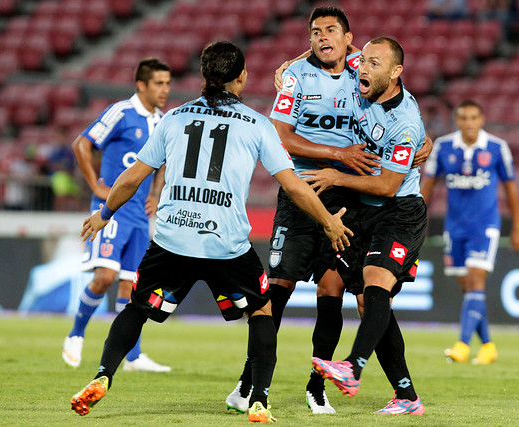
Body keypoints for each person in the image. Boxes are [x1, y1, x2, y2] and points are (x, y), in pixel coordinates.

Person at [69, 40, 353, 423]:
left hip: (172, 238)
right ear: (242, 77)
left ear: (204, 76)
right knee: (261, 310)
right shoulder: (256, 123)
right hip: (226, 243)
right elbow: (296, 186)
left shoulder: (173, 117)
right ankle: (259, 399)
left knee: (137, 306)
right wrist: (329, 221)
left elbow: (133, 176)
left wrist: (105, 212)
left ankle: (103, 374)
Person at [226, 6, 432, 415]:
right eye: (315, 32)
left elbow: (395, 90)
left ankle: (321, 385)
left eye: (331, 31)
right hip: (304, 190)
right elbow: (280, 136)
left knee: (341, 291)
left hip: (352, 199)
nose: (323, 38)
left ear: (348, 38)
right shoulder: (296, 77)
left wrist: (421, 141)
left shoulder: (362, 69)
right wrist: (336, 155)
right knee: (279, 289)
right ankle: (249, 383)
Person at [305, 37, 428, 415]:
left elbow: (388, 185)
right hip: (363, 210)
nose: (363, 68)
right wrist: (288, 65)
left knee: (375, 282)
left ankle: (353, 368)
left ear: (395, 74)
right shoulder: (363, 74)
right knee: (346, 291)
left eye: (375, 64)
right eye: (364, 61)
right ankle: (406, 397)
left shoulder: (404, 123)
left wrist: (336, 177)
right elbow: (332, 44)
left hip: (399, 210)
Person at [62, 58, 172, 372]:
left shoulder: (162, 120)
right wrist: (96, 186)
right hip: (112, 213)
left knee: (131, 288)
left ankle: (133, 357)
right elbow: (81, 144)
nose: (165, 89)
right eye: (159, 83)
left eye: (167, 83)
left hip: (139, 217)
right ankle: (76, 333)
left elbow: (162, 161)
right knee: (105, 277)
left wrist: (155, 193)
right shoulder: (121, 113)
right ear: (141, 85)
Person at [420, 99, 519, 364]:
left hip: (485, 226)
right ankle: (488, 345)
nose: (469, 123)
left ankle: (463, 345)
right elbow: (427, 188)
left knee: (476, 281)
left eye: (474, 118)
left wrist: (517, 227)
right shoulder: (443, 147)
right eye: (464, 118)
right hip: (455, 227)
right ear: (457, 121)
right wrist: (415, 222)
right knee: (468, 289)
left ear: (482, 120)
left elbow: (510, 189)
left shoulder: (497, 148)